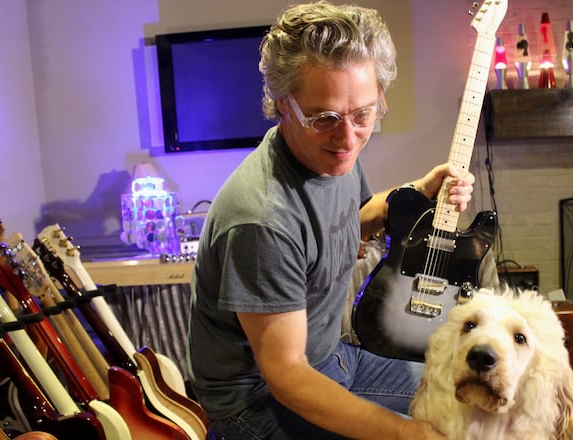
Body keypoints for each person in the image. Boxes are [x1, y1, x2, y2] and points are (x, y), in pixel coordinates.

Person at [186, 2, 475, 439]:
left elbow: (347, 223)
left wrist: (420, 191)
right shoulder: (261, 219)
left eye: (363, 115)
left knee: (470, 397)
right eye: (324, 118)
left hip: (331, 358)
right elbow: (286, 375)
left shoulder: (328, 155)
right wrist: (404, 434)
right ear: (282, 104)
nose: (346, 139)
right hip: (260, 402)